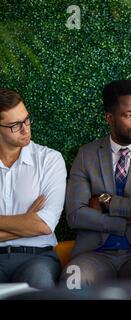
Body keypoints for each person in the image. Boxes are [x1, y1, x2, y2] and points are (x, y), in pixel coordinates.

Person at [60, 80, 131, 288]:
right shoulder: (87, 155)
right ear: (109, 118)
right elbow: (76, 214)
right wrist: (129, 217)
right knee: (72, 278)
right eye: (128, 114)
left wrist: (107, 202)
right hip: (94, 253)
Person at [0, 88, 66, 289]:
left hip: (37, 257)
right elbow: (34, 225)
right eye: (15, 125)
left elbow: (44, 225)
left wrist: (34, 222)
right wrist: (26, 221)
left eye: (26, 120)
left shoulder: (50, 160)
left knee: (40, 282)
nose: (25, 129)